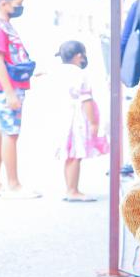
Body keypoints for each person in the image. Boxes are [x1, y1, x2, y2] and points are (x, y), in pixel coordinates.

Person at [0, 0, 39, 199]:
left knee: (3, 131)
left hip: (12, 86)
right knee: (11, 134)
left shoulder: (6, 26)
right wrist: (9, 92)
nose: (20, 7)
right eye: (18, 3)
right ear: (4, 3)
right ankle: (14, 185)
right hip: (8, 89)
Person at [55, 40, 107, 202]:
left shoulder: (59, 72)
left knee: (69, 155)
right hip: (76, 120)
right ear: (79, 56)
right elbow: (86, 101)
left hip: (63, 118)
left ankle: (69, 188)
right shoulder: (80, 74)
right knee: (76, 155)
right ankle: (73, 190)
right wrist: (93, 122)